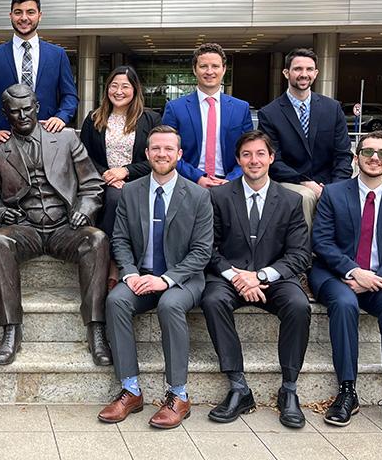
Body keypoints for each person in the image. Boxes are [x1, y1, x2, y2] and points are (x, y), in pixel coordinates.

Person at [0, 84, 110, 367]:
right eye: (14, 112)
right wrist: (1, 213)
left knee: (97, 239)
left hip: (66, 226)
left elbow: (92, 184)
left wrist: (84, 210)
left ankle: (96, 328)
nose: (22, 115)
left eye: (27, 109)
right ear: (5, 115)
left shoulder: (66, 139)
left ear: (37, 107)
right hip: (25, 227)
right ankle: (11, 329)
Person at [97, 125, 212, 429]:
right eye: (156, 149)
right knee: (116, 301)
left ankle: (178, 395)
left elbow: (202, 251)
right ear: (146, 153)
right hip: (141, 276)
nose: (162, 154)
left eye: (168, 149)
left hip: (184, 279)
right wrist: (130, 273)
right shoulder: (131, 191)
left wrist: (167, 280)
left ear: (179, 154)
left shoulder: (199, 196)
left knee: (170, 305)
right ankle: (131, 389)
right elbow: (119, 240)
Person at [311, 131, 382, 435]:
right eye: (368, 151)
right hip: (336, 276)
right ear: (356, 157)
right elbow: (321, 242)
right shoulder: (333, 194)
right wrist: (352, 271)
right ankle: (347, 391)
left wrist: (375, 277)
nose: (375, 158)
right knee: (344, 304)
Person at [200, 130, 312, 428]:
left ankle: (289, 389)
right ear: (238, 159)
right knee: (212, 300)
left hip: (274, 277)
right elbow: (207, 248)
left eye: (261, 153)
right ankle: (238, 387)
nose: (254, 160)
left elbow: (300, 254)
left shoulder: (290, 200)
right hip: (229, 278)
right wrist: (237, 277)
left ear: (271, 158)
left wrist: (260, 276)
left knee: (299, 306)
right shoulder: (218, 196)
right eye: (247, 154)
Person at [79, 66, 162, 285]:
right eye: (114, 86)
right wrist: (107, 175)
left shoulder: (150, 120)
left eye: (125, 86)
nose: (119, 91)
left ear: (135, 90)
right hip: (102, 182)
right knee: (114, 197)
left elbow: (156, 159)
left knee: (121, 197)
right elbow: (83, 156)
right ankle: (110, 263)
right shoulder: (94, 118)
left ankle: (115, 266)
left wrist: (125, 172)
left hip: (140, 182)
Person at [257, 47, 352, 232]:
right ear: (286, 73)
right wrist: (305, 181)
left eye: (309, 69)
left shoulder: (332, 108)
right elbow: (274, 160)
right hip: (291, 181)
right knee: (306, 196)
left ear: (316, 73)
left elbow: (343, 154)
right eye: (298, 69)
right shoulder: (270, 113)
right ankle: (305, 255)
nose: (304, 74)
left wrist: (334, 186)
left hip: (329, 181)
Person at [0, 0, 78, 143]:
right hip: (6, 139)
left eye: (30, 12)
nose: (24, 18)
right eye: (18, 12)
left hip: (48, 136)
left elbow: (69, 95)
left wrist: (61, 117)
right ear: (10, 16)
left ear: (40, 15)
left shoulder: (57, 55)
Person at [162, 43, 253, 188]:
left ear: (224, 69)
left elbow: (250, 151)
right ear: (194, 70)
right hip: (187, 182)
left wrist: (230, 180)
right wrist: (198, 178)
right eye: (203, 66)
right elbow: (167, 151)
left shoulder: (241, 108)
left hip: (230, 183)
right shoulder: (175, 108)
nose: (209, 71)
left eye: (215, 66)